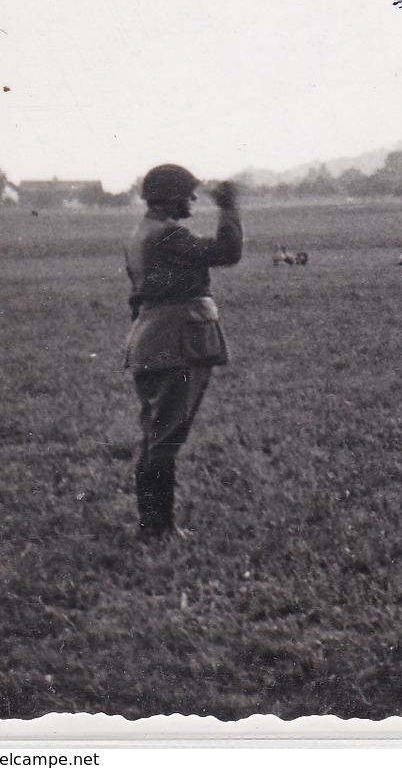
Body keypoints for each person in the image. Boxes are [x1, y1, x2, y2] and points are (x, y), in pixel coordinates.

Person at [122, 164, 243, 541]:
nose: (193, 201)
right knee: (165, 440)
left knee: (155, 436)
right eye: (188, 195)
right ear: (171, 198)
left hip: (151, 343)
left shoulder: (142, 233)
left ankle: (153, 525)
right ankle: (157, 530)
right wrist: (229, 209)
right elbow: (227, 252)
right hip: (177, 346)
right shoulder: (168, 235)